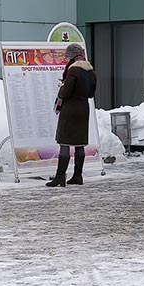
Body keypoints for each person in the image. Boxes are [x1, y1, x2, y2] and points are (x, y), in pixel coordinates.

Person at [47, 43, 96, 188]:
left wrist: (62, 87)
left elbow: (65, 93)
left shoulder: (73, 70)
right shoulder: (90, 71)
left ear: (72, 56)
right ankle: (77, 175)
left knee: (65, 142)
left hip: (70, 109)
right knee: (80, 143)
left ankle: (60, 177)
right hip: (83, 109)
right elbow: (91, 93)